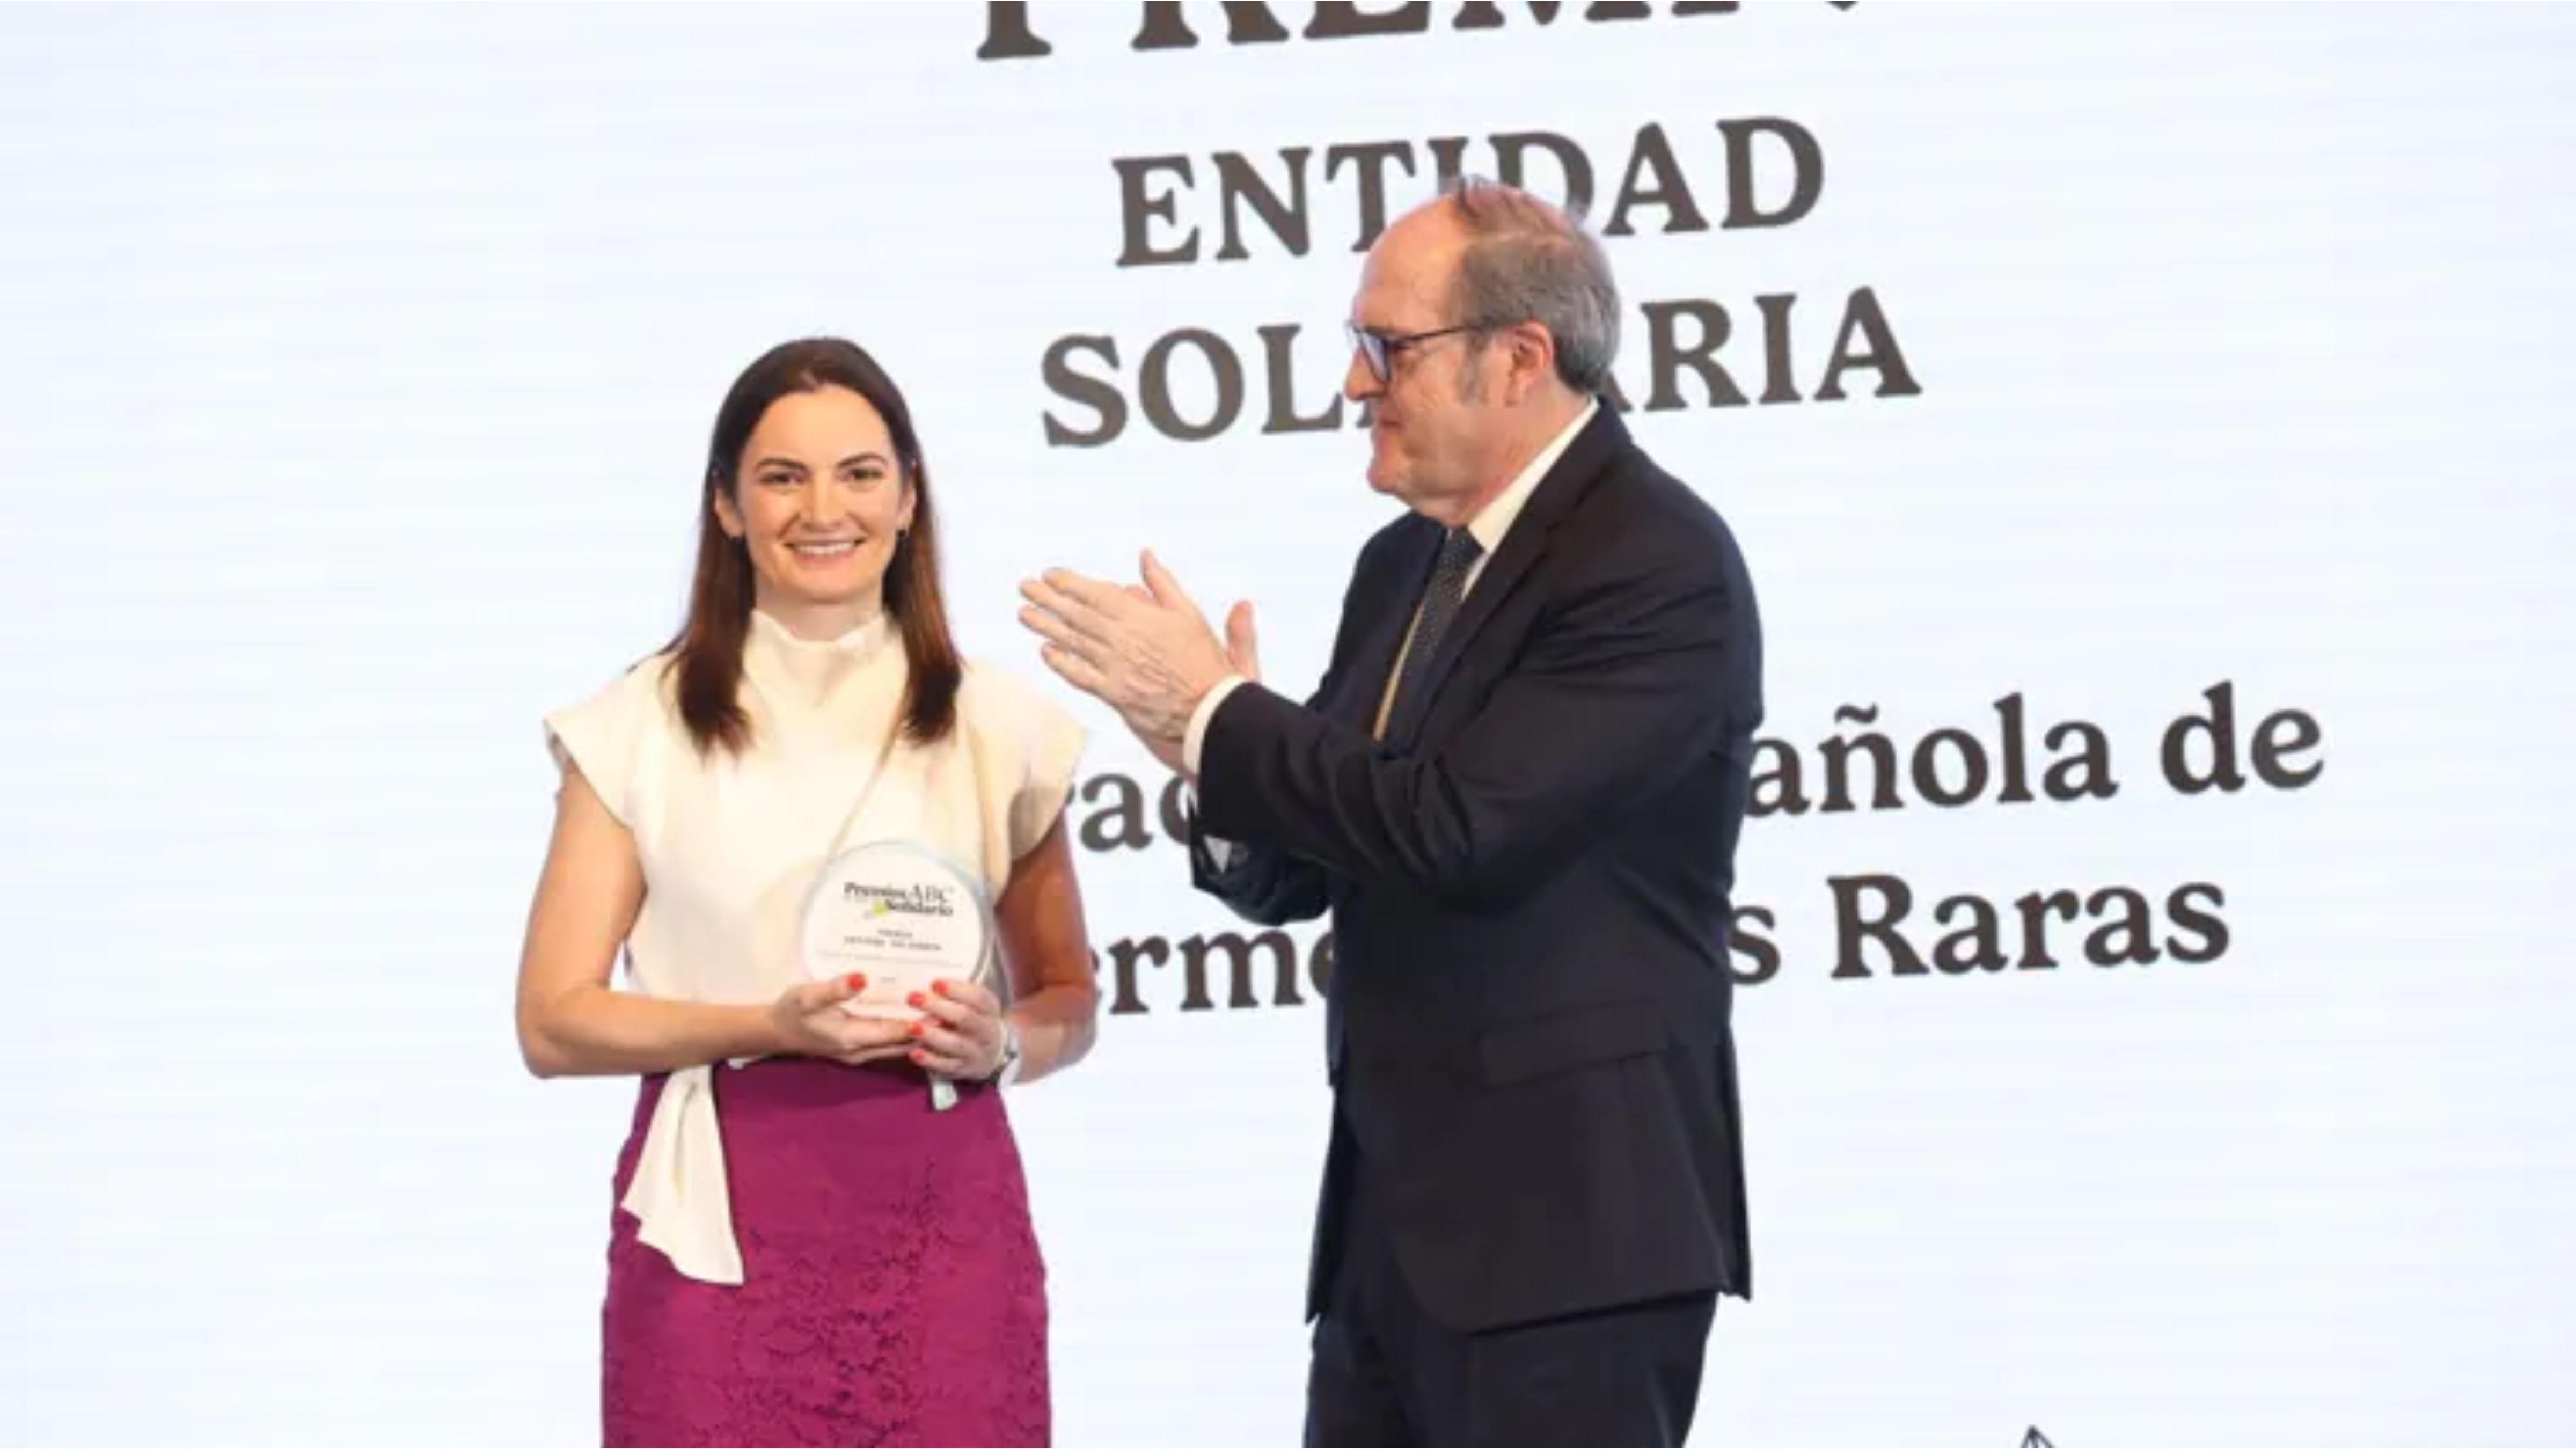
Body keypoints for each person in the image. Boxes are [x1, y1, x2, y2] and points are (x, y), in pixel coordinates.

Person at [1019, 177, 1762, 1447]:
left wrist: (1219, 715)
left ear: (1519, 357)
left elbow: (1459, 831)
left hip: (1572, 1245)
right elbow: (1311, 865)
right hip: (1389, 1240)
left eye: (1390, 346)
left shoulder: (1656, 560)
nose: (1356, 383)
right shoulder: (1404, 560)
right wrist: (1202, 755)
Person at [515, 338, 1100, 1448]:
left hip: (943, 1226)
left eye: (860, 474)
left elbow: (1068, 996)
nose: (824, 511)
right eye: (783, 477)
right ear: (727, 506)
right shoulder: (638, 727)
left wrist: (1002, 1045)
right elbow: (552, 1021)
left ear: (909, 497)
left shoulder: (1000, 726)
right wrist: (770, 1027)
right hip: (716, 1229)